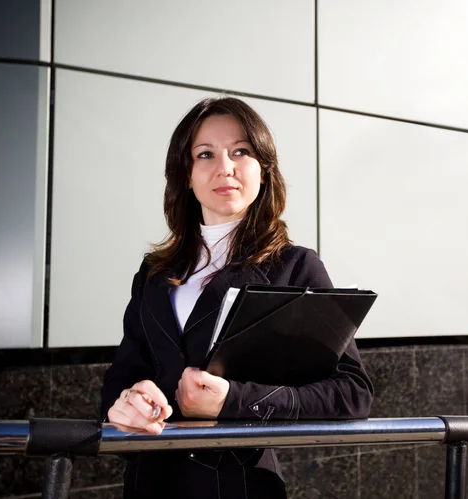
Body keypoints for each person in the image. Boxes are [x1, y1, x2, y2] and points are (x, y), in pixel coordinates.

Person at [100, 97, 373, 499]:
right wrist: (126, 403)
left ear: (263, 170)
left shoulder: (294, 267)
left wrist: (233, 400)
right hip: (149, 483)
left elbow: (352, 393)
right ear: (186, 175)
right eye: (205, 154)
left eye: (240, 152)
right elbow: (121, 376)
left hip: (240, 485)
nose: (224, 167)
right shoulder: (153, 273)